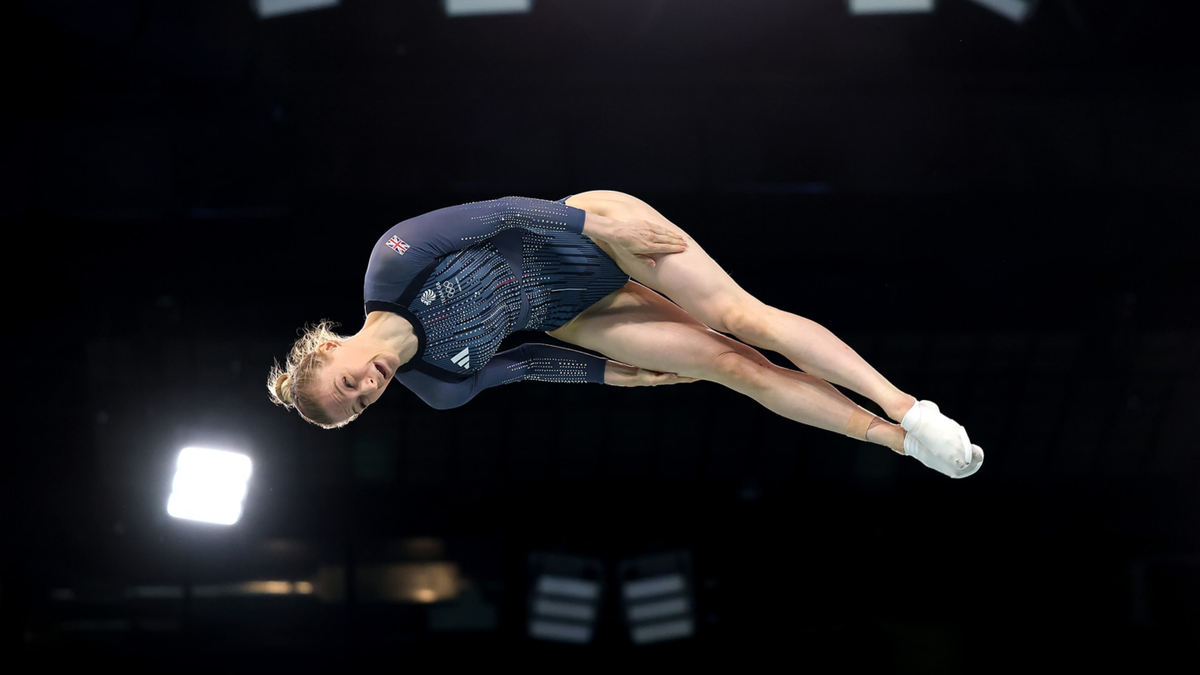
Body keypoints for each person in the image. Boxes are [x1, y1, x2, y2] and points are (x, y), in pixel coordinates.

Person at [268, 191, 983, 478]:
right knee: (734, 366)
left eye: (347, 384)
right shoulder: (438, 387)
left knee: (740, 318)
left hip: (585, 232)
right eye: (357, 406)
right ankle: (905, 443)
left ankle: (908, 405)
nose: (366, 392)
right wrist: (607, 374)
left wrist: (598, 226)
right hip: (579, 315)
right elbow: (519, 366)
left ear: (331, 346)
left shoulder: (392, 261)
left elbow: (498, 212)